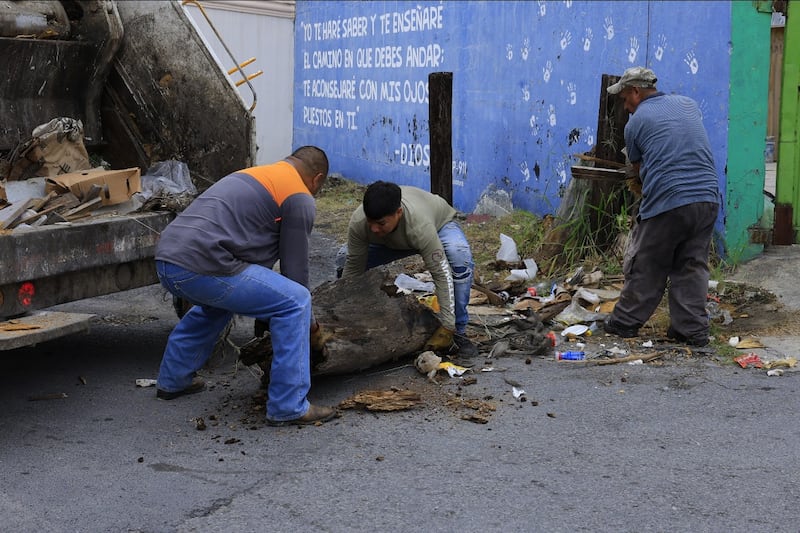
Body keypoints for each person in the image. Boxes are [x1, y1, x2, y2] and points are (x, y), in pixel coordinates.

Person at [153, 146, 336, 426]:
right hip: (201, 263)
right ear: (317, 178)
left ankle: (173, 380)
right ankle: (289, 406)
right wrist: (311, 326)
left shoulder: (259, 174)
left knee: (218, 306)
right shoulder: (298, 195)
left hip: (167, 261)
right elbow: (295, 273)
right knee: (296, 301)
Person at [603, 66, 720, 347]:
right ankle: (691, 330)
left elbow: (639, 171)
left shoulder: (636, 123)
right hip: (707, 198)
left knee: (648, 262)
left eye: (624, 98)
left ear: (635, 91)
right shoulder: (687, 104)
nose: (625, 105)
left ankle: (623, 323)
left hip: (670, 200)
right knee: (691, 265)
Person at [339, 181, 478, 357]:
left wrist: (448, 326)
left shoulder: (420, 226)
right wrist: (343, 315)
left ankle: (459, 331)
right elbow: (353, 269)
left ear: (399, 213)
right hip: (389, 241)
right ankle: (363, 315)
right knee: (343, 259)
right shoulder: (359, 223)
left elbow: (441, 273)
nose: (374, 229)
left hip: (438, 226)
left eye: (380, 223)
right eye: (370, 222)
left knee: (459, 256)